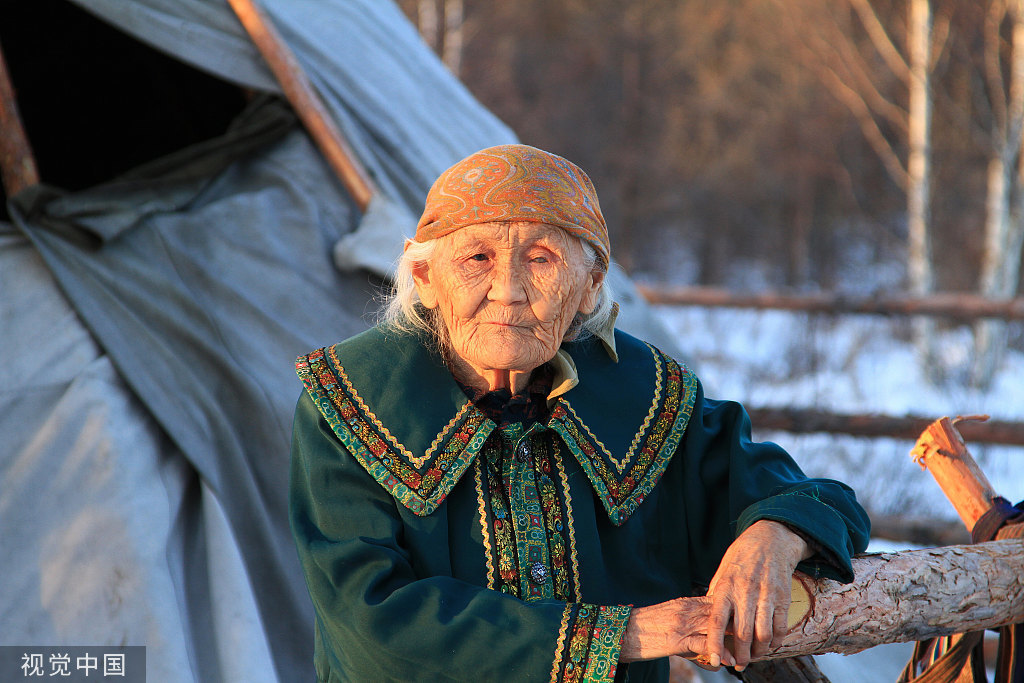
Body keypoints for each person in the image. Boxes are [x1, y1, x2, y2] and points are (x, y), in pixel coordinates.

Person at [289, 144, 870, 682]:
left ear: (591, 287)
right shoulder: (352, 403)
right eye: (478, 258)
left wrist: (774, 533)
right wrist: (622, 636)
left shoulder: (647, 398)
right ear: (426, 279)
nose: (508, 290)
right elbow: (371, 624)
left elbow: (823, 502)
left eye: (541, 260)